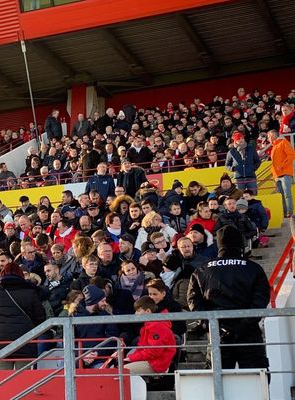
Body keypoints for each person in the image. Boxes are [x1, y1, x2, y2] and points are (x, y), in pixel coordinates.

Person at [187, 225, 271, 370]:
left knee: (217, 381)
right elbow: (260, 301)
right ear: (241, 243)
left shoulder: (202, 270)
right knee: (256, 379)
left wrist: (208, 325)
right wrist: (243, 325)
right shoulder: (254, 268)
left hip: (216, 333)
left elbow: (194, 301)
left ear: (219, 244)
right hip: (248, 333)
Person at [0, 262, 46, 370]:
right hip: (24, 340)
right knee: (23, 380)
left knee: (3, 380)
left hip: (0, 341)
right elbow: (40, 317)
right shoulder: (30, 291)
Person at [124, 296, 176, 375]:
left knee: (120, 372)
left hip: (156, 364)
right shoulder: (149, 325)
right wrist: (129, 358)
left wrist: (131, 358)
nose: (135, 314)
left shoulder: (156, 326)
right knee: (121, 366)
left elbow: (153, 352)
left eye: (138, 311)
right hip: (152, 361)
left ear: (148, 311)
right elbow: (142, 348)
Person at [268, 129, 295, 217]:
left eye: (269, 136)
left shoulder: (284, 143)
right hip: (277, 175)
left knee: (287, 194)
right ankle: (284, 213)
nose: (268, 138)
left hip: (285, 173)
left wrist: (282, 165)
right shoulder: (274, 147)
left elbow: (291, 155)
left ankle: (289, 212)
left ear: (274, 136)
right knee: (281, 195)